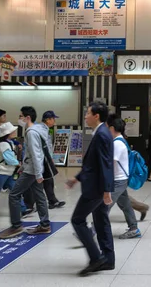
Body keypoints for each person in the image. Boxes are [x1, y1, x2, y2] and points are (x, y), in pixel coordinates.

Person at [67, 102, 116, 276]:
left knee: (78, 220)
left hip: (96, 189)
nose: (85, 116)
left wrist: (106, 191)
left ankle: (96, 258)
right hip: (96, 185)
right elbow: (92, 164)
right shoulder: (100, 133)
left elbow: (105, 165)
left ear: (96, 116)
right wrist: (77, 178)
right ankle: (108, 260)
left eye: (88, 113)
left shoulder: (102, 135)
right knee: (101, 220)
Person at [0, 106, 51, 239]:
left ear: (27, 118)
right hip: (34, 169)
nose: (19, 119)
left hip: (32, 171)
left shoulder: (31, 132)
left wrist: (38, 173)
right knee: (39, 196)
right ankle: (45, 225)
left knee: (14, 195)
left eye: (21, 116)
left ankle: (16, 226)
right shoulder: (39, 130)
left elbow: (35, 154)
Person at [108, 114, 143, 240]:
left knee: (104, 205)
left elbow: (111, 162)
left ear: (112, 128)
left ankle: (91, 232)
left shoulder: (117, 143)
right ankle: (134, 228)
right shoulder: (121, 140)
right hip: (121, 178)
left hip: (118, 180)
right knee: (125, 204)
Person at [38, 110, 65, 209]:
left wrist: (50, 157)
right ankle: (28, 205)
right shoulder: (42, 130)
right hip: (42, 159)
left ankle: (52, 201)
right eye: (53, 119)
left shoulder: (46, 129)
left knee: (48, 180)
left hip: (45, 159)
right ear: (47, 120)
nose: (54, 121)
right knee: (39, 182)